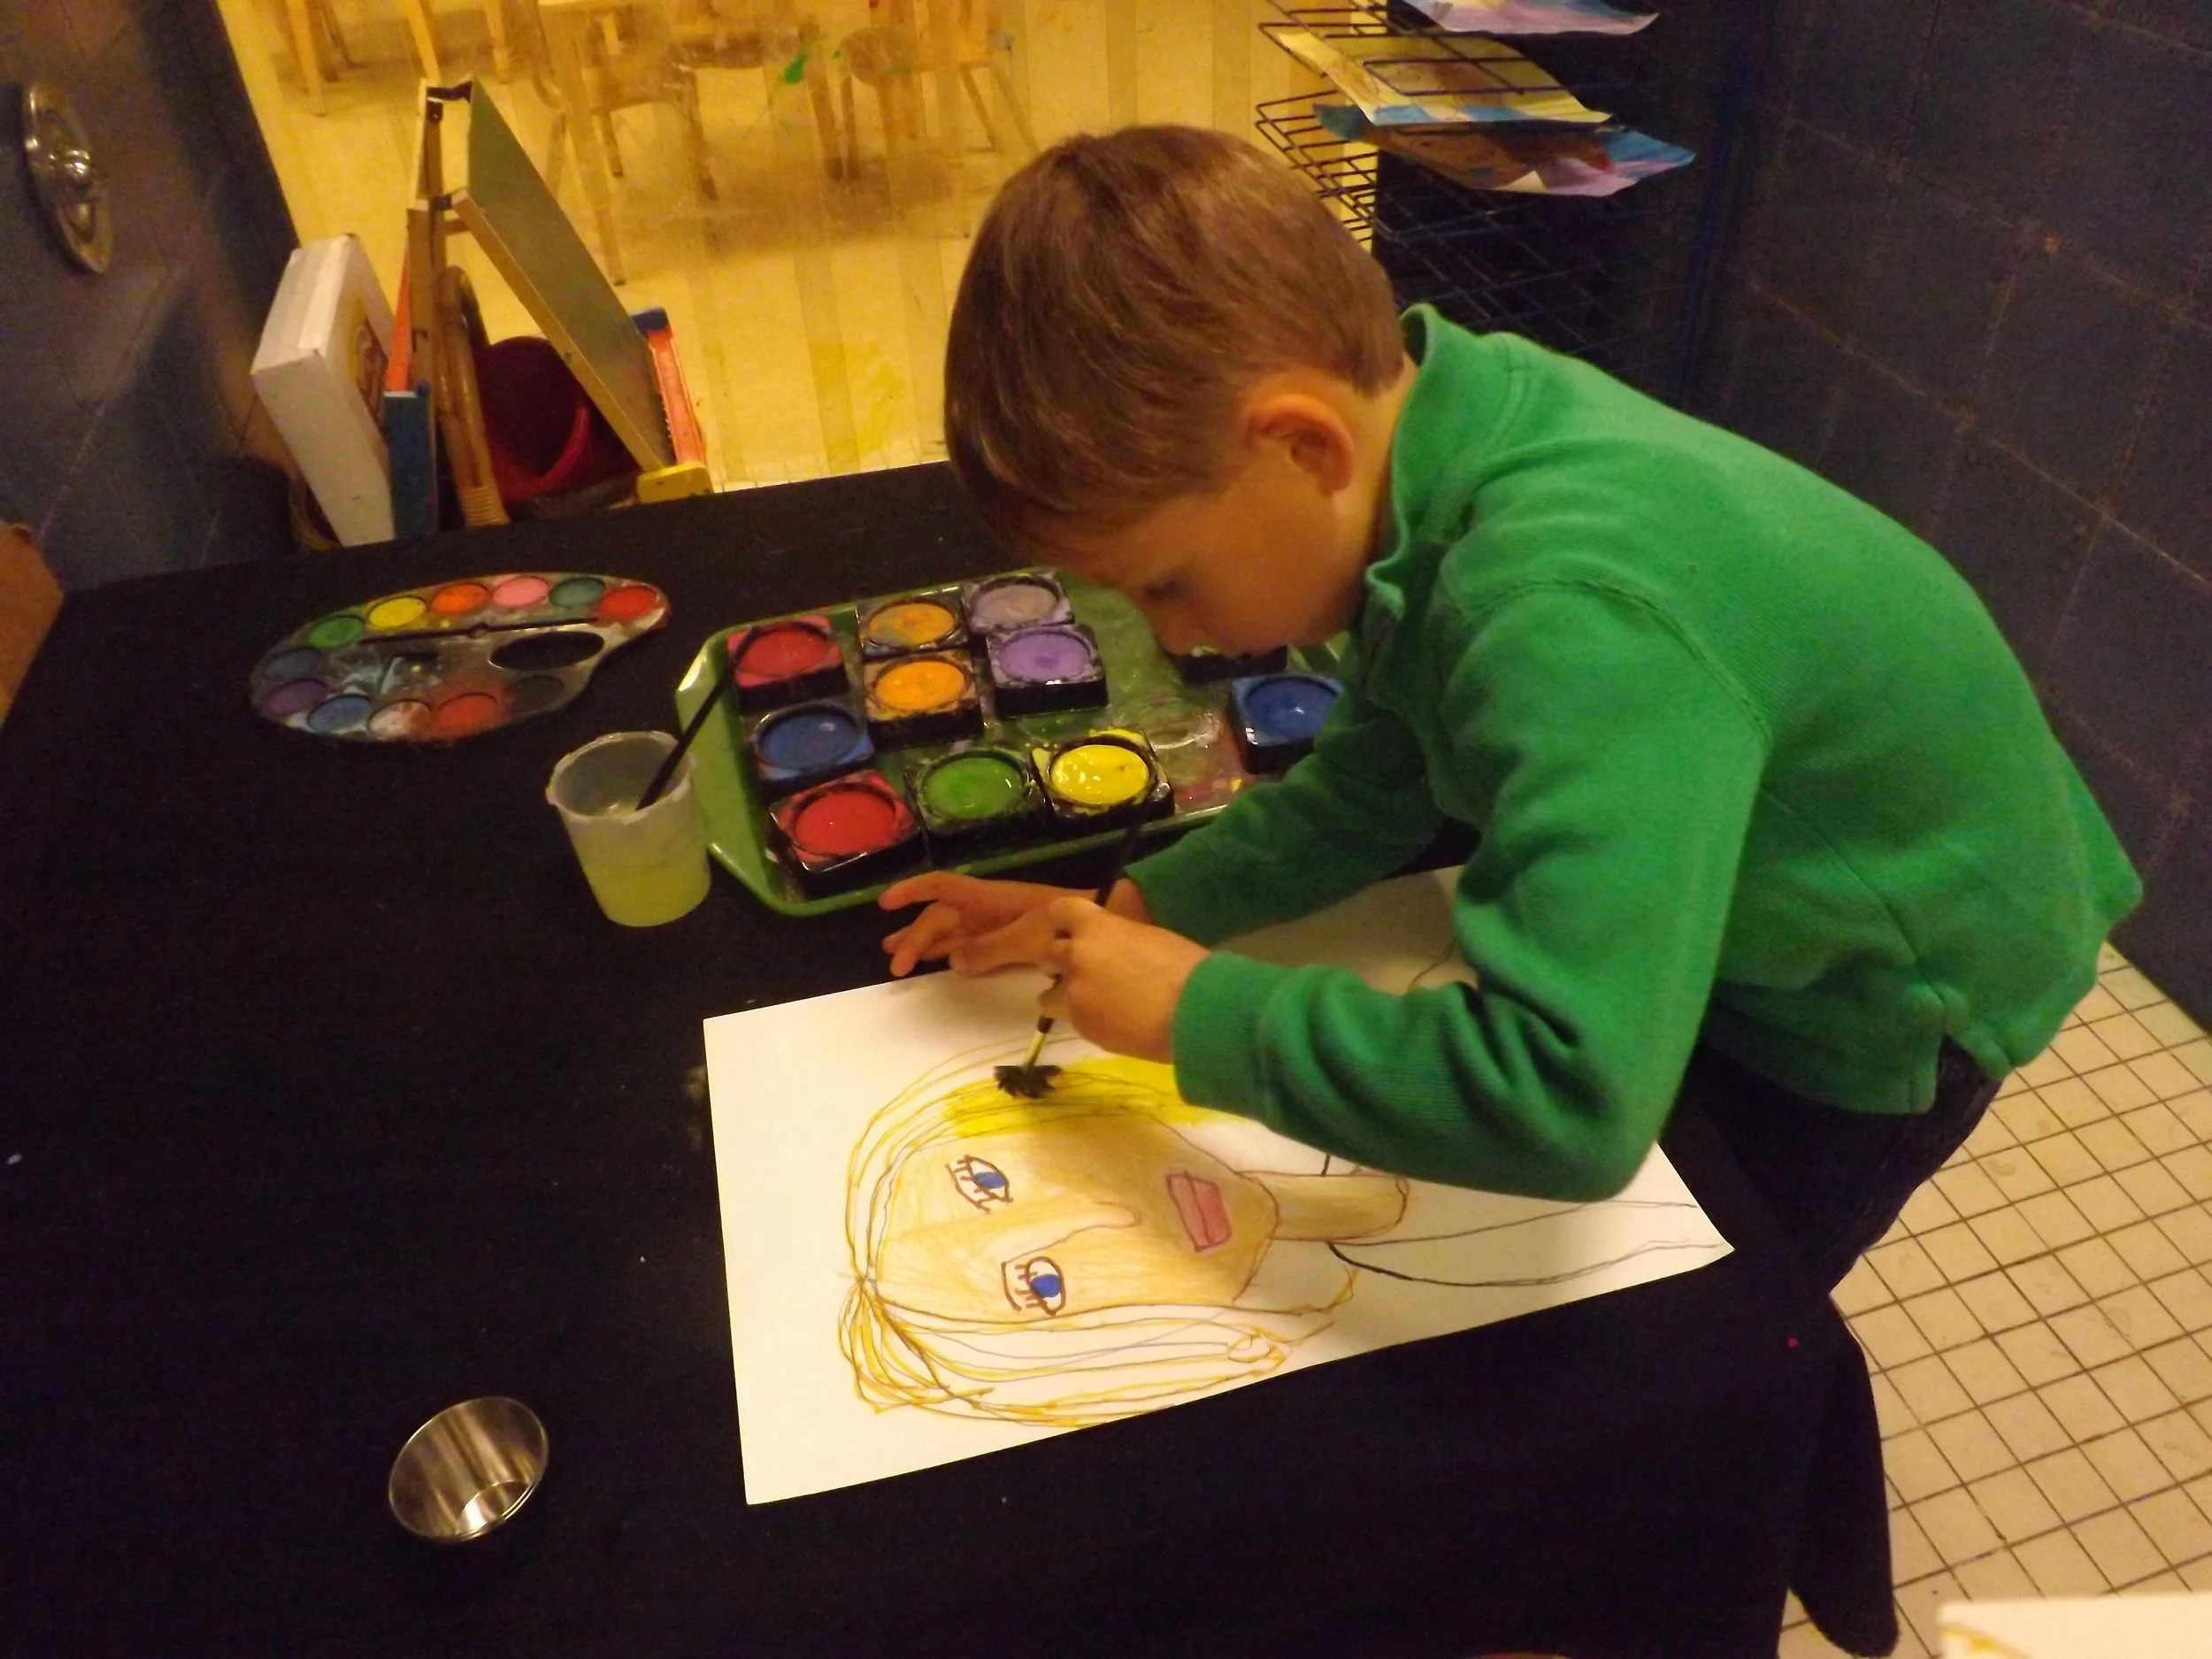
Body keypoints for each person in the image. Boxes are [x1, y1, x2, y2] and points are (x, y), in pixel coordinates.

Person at [878, 125, 2141, 1289]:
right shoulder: (1434, 427)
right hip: (1767, 848)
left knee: (1709, 1301)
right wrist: (1140, 907)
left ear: (1302, 446)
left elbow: (1573, 1099)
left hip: (1889, 980)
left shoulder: (1558, 611)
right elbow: (1383, 772)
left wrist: (1198, 1012)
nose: (1171, 640)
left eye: (1169, 581)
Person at [841, 1055, 1722, 1425]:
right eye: (1041, 1285)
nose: (1105, 1220)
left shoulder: (1377, 1050)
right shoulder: (1433, 1355)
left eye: (991, 1181)